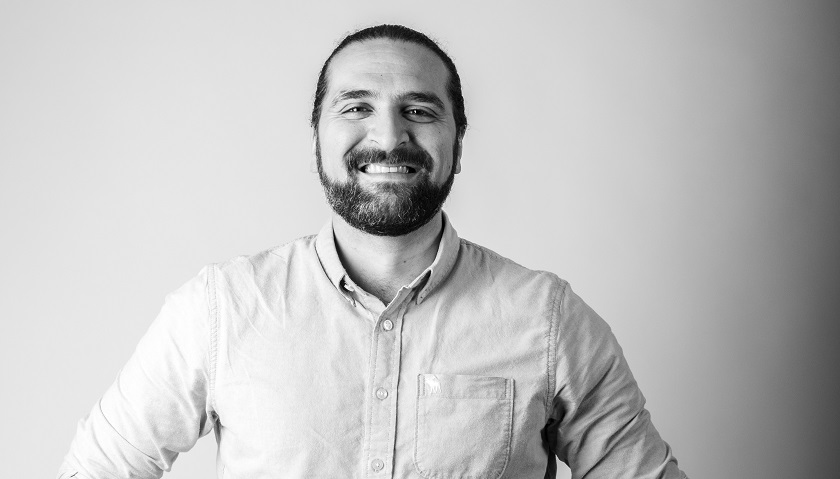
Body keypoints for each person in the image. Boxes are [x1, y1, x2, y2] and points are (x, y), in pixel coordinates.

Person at [58, 24, 688, 479]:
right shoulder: (221, 309)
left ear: (458, 144)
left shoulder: (548, 320)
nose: (389, 136)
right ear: (318, 138)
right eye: (357, 107)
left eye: (419, 110)